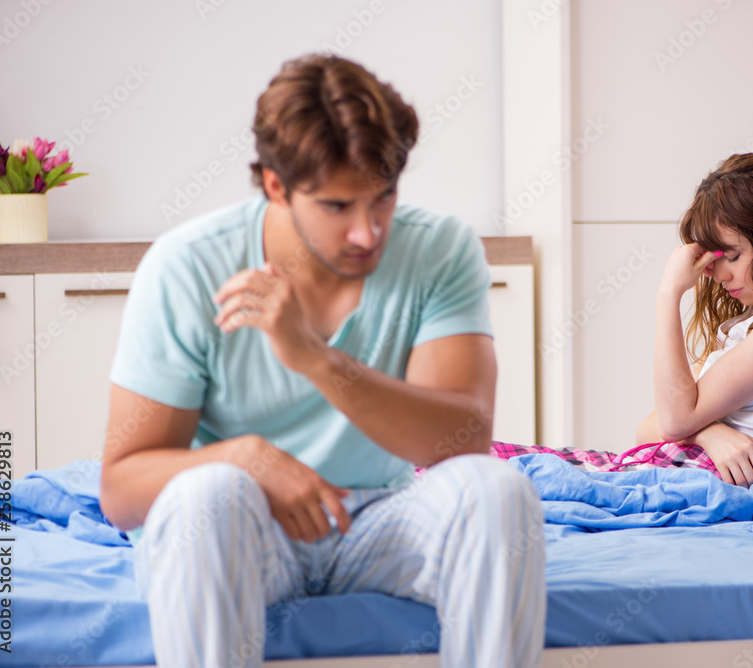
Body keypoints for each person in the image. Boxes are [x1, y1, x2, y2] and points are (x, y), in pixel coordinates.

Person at [99, 53, 546, 668]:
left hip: (378, 522)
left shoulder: (440, 249)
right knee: (207, 493)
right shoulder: (186, 266)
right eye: (338, 206)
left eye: (383, 197)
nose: (368, 232)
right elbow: (121, 489)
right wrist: (245, 456)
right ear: (277, 186)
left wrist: (316, 358)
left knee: (498, 490)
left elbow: (462, 440)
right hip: (241, 528)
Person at [493, 153, 753, 488]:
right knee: (487, 462)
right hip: (681, 464)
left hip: (695, 480)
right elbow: (649, 429)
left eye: (731, 256)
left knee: (500, 476)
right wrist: (708, 433)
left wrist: (668, 295)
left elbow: (674, 422)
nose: (717, 275)